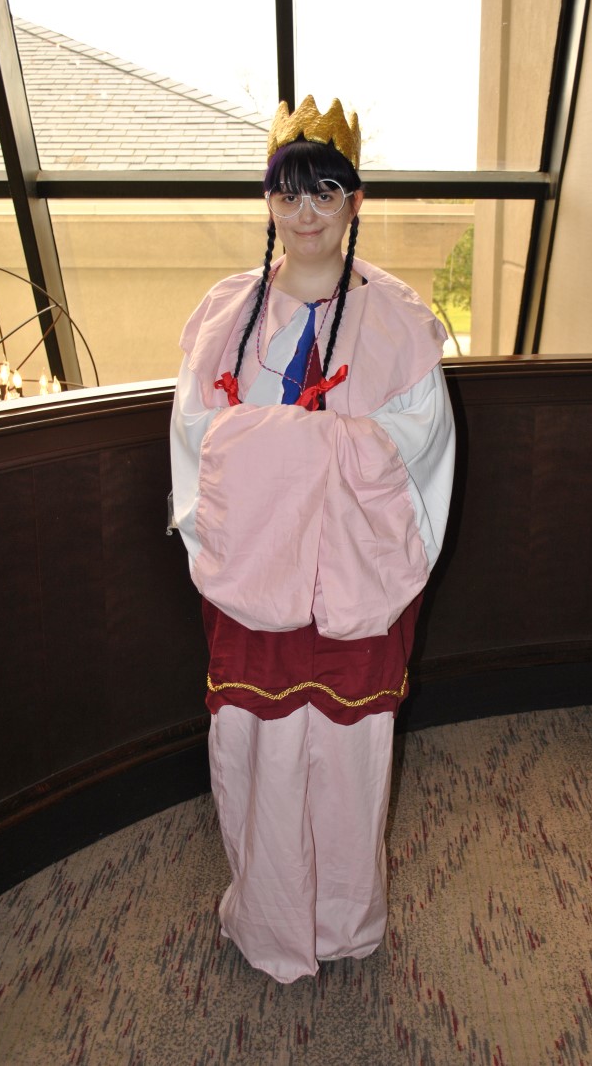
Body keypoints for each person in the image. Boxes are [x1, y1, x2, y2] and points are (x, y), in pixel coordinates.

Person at [170, 95, 455, 983]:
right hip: (252, 578)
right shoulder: (225, 317)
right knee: (256, 748)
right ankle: (267, 919)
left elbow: (420, 445)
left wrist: (297, 449)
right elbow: (195, 439)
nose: (306, 212)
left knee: (347, 753)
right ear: (268, 201)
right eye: (289, 192)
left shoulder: (398, 321)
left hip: (355, 579)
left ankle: (345, 921)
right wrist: (304, 448)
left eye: (326, 191)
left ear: (355, 201)